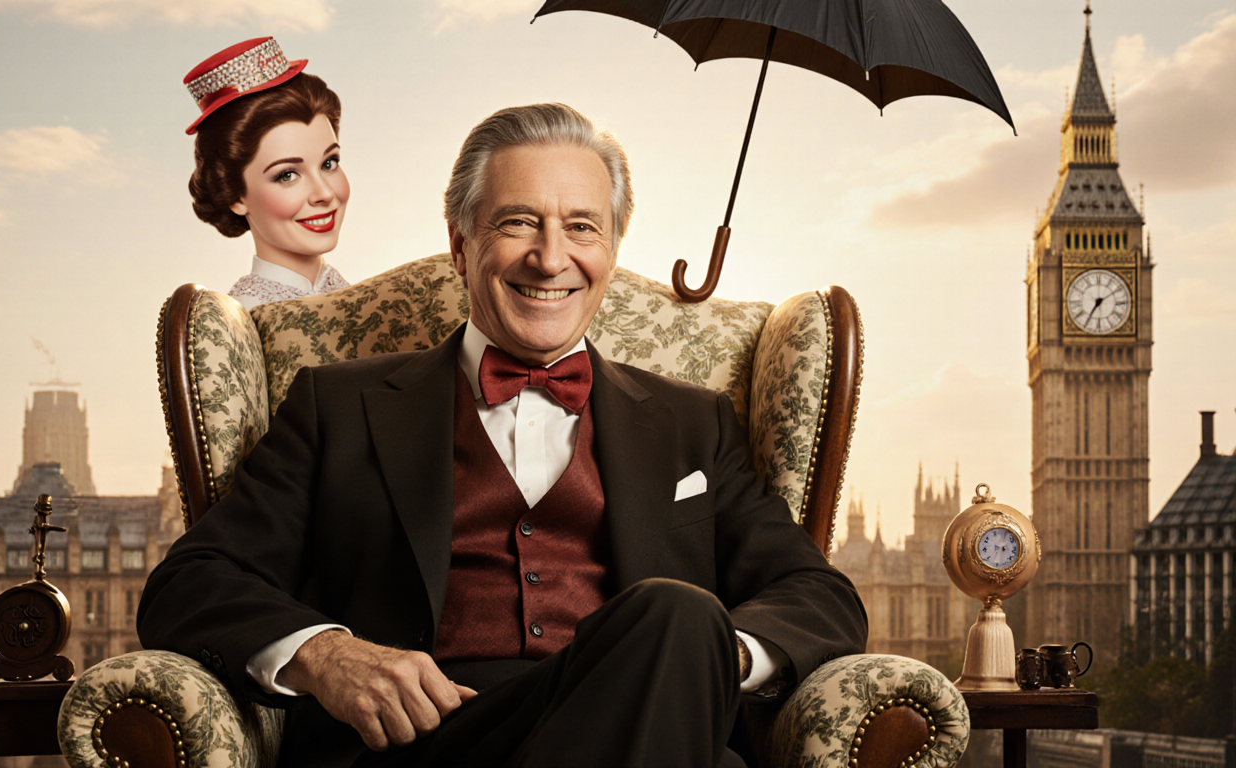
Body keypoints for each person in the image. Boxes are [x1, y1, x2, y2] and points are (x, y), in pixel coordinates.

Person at [139, 103, 867, 767]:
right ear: (461, 244)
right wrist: (327, 656)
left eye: (582, 226)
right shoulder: (340, 406)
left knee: (676, 614)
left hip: (655, 726)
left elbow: (818, 596)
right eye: (518, 222)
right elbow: (191, 584)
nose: (551, 259)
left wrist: (699, 656)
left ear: (611, 251)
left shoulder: (693, 421)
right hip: (429, 748)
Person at [183, 37, 351, 310]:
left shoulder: (346, 290)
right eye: (287, 175)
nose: (325, 193)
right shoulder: (245, 318)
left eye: (329, 163)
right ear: (236, 195)